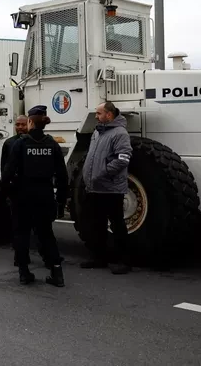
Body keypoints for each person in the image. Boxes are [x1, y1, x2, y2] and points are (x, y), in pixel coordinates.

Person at [1, 105, 68, 287]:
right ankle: (57, 272)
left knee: (21, 233)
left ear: (30, 121)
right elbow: (62, 175)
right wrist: (61, 200)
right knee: (46, 234)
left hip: (23, 195)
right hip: (45, 195)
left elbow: (7, 172)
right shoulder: (52, 144)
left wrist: (7, 193)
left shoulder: (20, 144)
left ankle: (24, 273)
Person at [80, 101, 133, 275]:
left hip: (111, 189)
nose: (96, 116)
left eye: (99, 113)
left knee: (117, 225)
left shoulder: (120, 133)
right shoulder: (97, 132)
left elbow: (123, 159)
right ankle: (99, 257)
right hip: (95, 188)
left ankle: (123, 261)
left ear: (109, 115)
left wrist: (102, 173)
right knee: (97, 224)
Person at [1, 114, 28, 266]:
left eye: (23, 124)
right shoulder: (9, 143)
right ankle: (20, 257)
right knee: (17, 225)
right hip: (16, 189)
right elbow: (4, 167)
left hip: (30, 189)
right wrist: (5, 189)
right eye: (17, 124)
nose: (19, 127)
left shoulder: (33, 143)